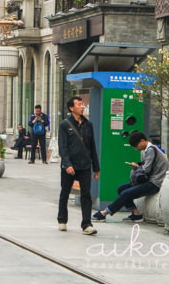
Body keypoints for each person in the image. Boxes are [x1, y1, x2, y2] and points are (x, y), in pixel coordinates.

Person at [93, 131, 169, 223]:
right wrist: (137, 166)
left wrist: (136, 167)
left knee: (126, 193)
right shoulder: (145, 150)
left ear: (142, 141)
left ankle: (105, 212)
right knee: (121, 189)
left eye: (136, 146)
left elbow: (146, 170)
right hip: (148, 180)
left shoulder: (151, 150)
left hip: (155, 183)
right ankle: (136, 213)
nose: (136, 149)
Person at [57, 96, 100, 235]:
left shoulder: (88, 124)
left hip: (85, 165)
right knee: (65, 193)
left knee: (86, 195)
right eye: (79, 104)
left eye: (82, 104)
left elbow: (92, 146)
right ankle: (62, 220)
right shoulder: (64, 125)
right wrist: (67, 164)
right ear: (71, 108)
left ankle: (87, 224)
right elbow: (62, 147)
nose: (82, 106)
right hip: (69, 166)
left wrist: (96, 167)